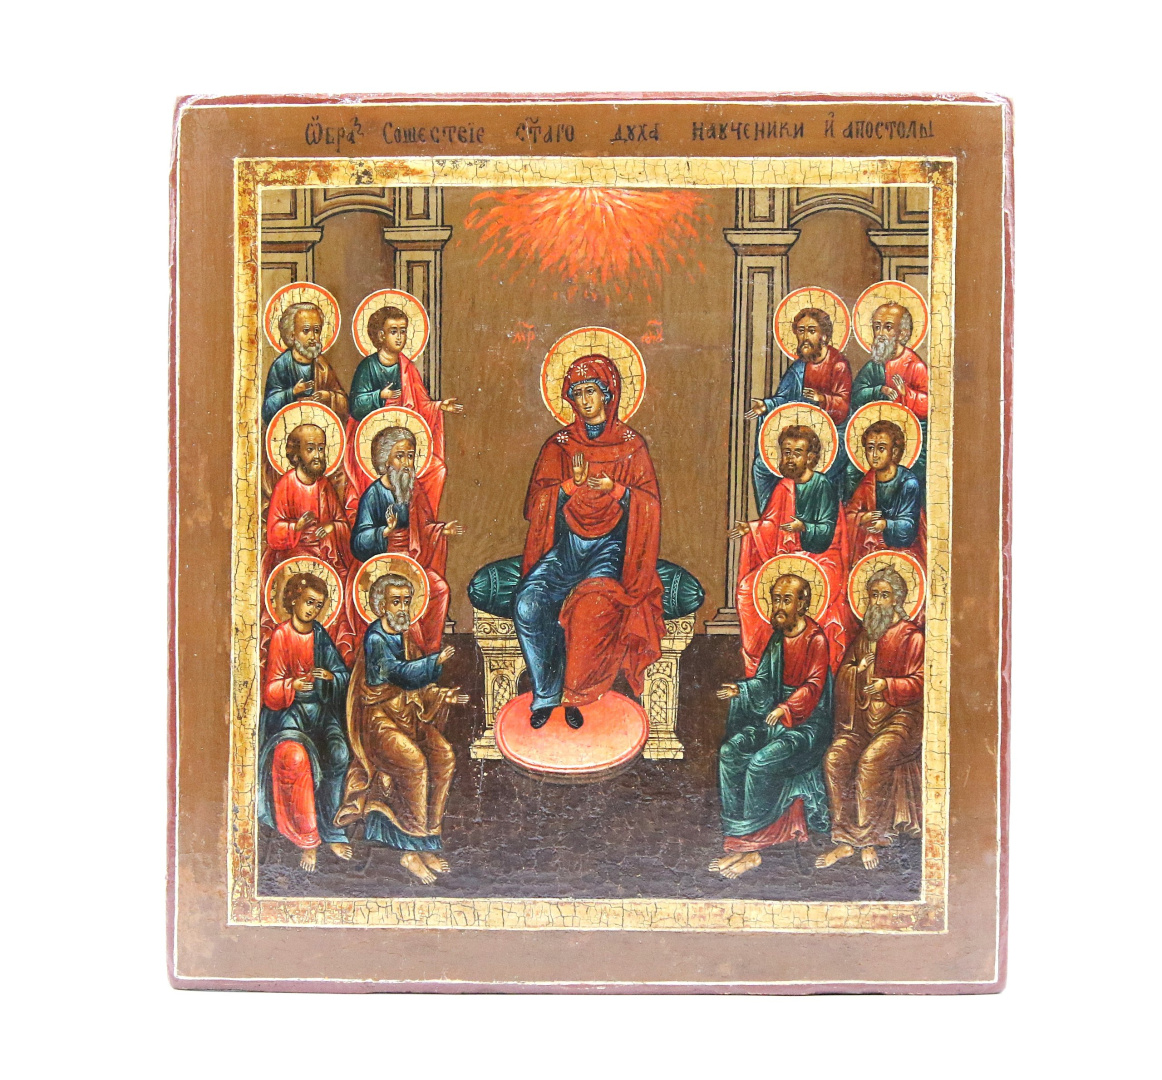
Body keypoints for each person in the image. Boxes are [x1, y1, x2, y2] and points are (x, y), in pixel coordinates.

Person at [514, 354, 664, 730]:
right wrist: (569, 486)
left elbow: (649, 504)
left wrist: (617, 490)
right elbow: (535, 504)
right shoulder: (560, 445)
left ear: (608, 395)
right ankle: (546, 695)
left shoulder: (631, 445)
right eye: (577, 393)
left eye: (591, 392)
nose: (584, 400)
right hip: (567, 549)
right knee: (528, 604)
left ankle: (575, 695)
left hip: (610, 551)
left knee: (590, 610)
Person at [336, 573, 467, 885]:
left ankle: (428, 842)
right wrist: (434, 662)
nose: (403, 608)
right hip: (378, 721)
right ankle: (410, 850)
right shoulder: (375, 639)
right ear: (381, 605)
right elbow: (398, 674)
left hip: (408, 716)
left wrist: (441, 695)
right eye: (396, 602)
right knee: (414, 764)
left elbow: (417, 689)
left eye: (406, 601)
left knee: (444, 757)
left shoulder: (406, 639)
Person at [709, 574, 833, 879]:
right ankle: (738, 841)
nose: (778, 606)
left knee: (761, 762)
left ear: (802, 604)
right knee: (730, 752)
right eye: (775, 599)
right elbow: (764, 681)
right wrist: (742, 690)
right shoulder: (777, 639)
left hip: (808, 724)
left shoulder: (815, 640)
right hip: (775, 717)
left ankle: (754, 849)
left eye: (786, 600)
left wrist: (786, 708)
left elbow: (814, 686)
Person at [817, 566, 924, 870]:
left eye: (884, 595)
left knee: (871, 762)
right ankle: (844, 838)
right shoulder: (865, 637)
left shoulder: (912, 637)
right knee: (836, 758)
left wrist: (886, 685)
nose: (877, 601)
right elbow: (844, 676)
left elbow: (921, 683)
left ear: (898, 599)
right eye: (873, 595)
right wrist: (858, 670)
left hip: (900, 721)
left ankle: (869, 839)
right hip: (862, 720)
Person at [731, 424, 851, 674]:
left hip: (822, 558)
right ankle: (761, 663)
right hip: (785, 557)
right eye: (786, 452)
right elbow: (770, 525)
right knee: (746, 590)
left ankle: (809, 662)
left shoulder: (823, 486)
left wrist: (804, 527)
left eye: (797, 452)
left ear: (811, 457)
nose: (790, 458)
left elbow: (828, 532)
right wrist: (752, 529)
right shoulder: (783, 486)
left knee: (801, 593)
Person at [257, 572, 352, 873]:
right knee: (294, 758)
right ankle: (307, 838)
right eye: (309, 602)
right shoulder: (282, 635)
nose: (313, 610)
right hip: (290, 713)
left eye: (318, 605)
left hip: (321, 711)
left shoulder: (320, 635)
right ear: (293, 600)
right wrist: (292, 685)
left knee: (339, 753)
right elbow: (271, 691)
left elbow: (344, 675)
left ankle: (332, 830)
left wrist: (331, 677)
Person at [349, 425, 462, 654]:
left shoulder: (413, 490)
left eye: (410, 456)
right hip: (383, 563)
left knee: (440, 589)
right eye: (399, 456)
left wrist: (440, 531)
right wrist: (384, 532)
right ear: (385, 461)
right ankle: (407, 652)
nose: (407, 463)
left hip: (413, 559)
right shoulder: (373, 495)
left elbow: (424, 527)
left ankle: (429, 652)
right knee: (400, 598)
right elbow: (359, 541)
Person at [343, 305, 462, 519]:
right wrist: (380, 396)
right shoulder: (368, 367)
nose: (399, 337)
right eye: (393, 331)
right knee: (372, 477)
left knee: (437, 469)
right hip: (371, 438)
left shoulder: (407, 367)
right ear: (381, 335)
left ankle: (422, 525)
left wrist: (439, 406)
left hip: (404, 436)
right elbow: (356, 405)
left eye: (403, 331)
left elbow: (421, 404)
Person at [746, 307, 852, 511]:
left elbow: (843, 407)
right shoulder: (799, 368)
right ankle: (773, 519)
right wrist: (767, 405)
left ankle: (813, 519)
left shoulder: (838, 365)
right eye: (801, 331)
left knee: (815, 468)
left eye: (811, 331)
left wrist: (823, 399)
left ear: (824, 335)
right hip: (798, 431)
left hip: (831, 434)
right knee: (761, 467)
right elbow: (783, 398)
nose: (805, 337)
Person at [848, 302, 928, 497]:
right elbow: (856, 395)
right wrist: (878, 390)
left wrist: (906, 393)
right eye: (877, 327)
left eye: (888, 327)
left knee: (914, 473)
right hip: (875, 435)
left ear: (903, 334)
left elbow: (928, 405)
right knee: (851, 472)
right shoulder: (874, 366)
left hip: (910, 438)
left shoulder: (915, 366)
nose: (881, 333)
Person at [845, 419, 926, 563]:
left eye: (881, 448)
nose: (874, 455)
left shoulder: (908, 482)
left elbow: (909, 527)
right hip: (871, 546)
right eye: (870, 448)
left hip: (902, 549)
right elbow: (849, 515)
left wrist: (885, 525)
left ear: (894, 451)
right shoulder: (868, 481)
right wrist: (863, 518)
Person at [261, 301, 349, 426]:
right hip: (288, 426)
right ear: (292, 335)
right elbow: (268, 408)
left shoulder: (322, 365)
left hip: (317, 425)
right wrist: (292, 392)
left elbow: (344, 402)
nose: (312, 337)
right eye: (306, 331)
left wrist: (328, 396)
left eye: (317, 330)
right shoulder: (281, 365)